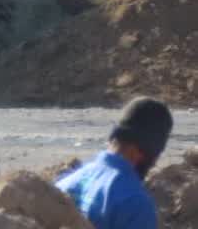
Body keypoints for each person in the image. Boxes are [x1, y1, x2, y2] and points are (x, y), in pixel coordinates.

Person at [57, 97, 174, 229]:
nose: (154, 163)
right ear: (143, 150)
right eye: (156, 154)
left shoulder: (67, 183)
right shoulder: (135, 203)